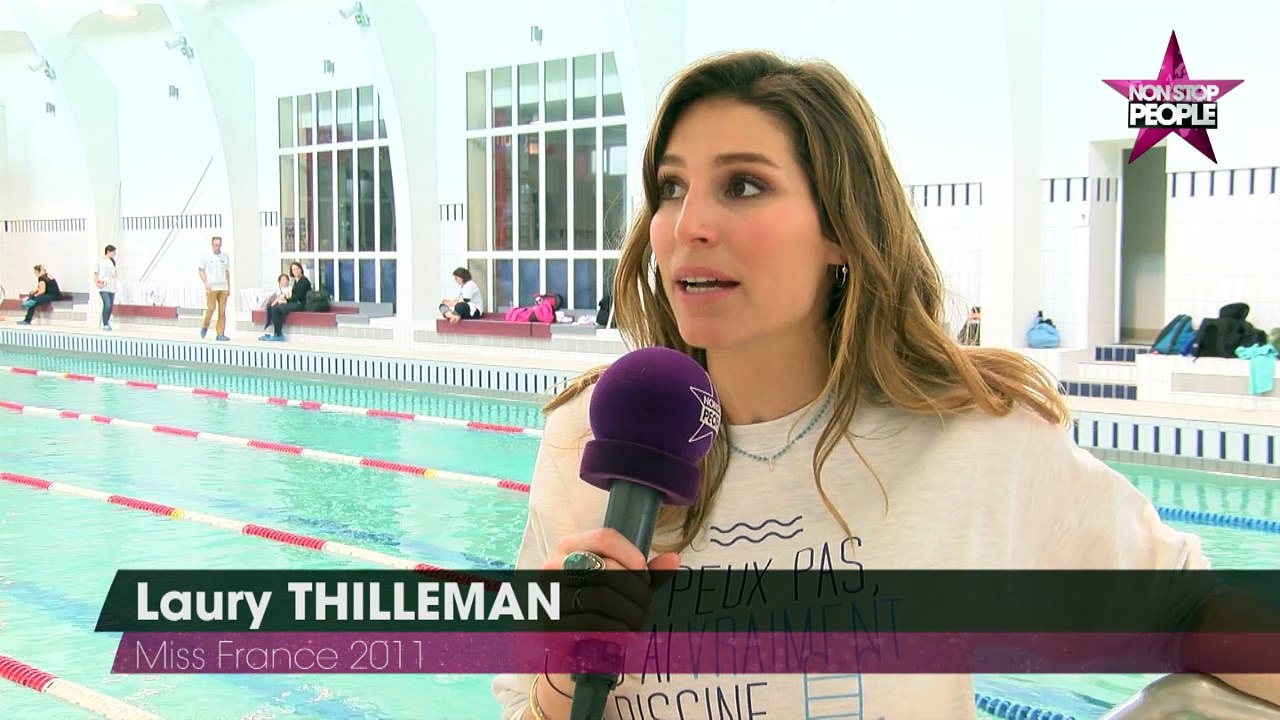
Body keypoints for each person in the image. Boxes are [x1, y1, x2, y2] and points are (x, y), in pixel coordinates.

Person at [491, 51, 1280, 719]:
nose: (686, 223)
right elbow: (529, 703)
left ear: (839, 227)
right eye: (670, 186)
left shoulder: (971, 440)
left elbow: (1188, 609)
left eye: (742, 186)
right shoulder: (591, 435)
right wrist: (574, 668)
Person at [260, 262, 310, 342]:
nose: (296, 271)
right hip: (295, 302)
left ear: (301, 269)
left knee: (276, 310)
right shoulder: (296, 281)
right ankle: (271, 329)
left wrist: (286, 300)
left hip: (301, 304)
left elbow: (298, 296)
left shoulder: (304, 281)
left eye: (297, 269)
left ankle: (278, 334)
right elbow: (294, 296)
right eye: (293, 269)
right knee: (272, 307)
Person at [198, 235, 231, 341]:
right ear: (212, 245)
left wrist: (228, 287)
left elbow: (227, 272)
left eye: (219, 245)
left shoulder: (225, 256)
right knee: (211, 309)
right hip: (212, 287)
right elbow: (201, 270)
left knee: (222, 311)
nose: (217, 247)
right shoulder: (206, 256)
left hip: (223, 287)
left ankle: (220, 333)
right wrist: (206, 283)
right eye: (215, 245)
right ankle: (205, 326)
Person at [94, 244, 119, 331]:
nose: (114, 254)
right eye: (113, 252)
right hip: (103, 286)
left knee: (110, 306)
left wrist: (115, 273)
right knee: (107, 304)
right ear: (108, 252)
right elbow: (95, 273)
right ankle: (104, 323)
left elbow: (114, 273)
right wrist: (96, 282)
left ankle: (106, 321)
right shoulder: (99, 260)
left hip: (111, 286)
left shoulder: (112, 261)